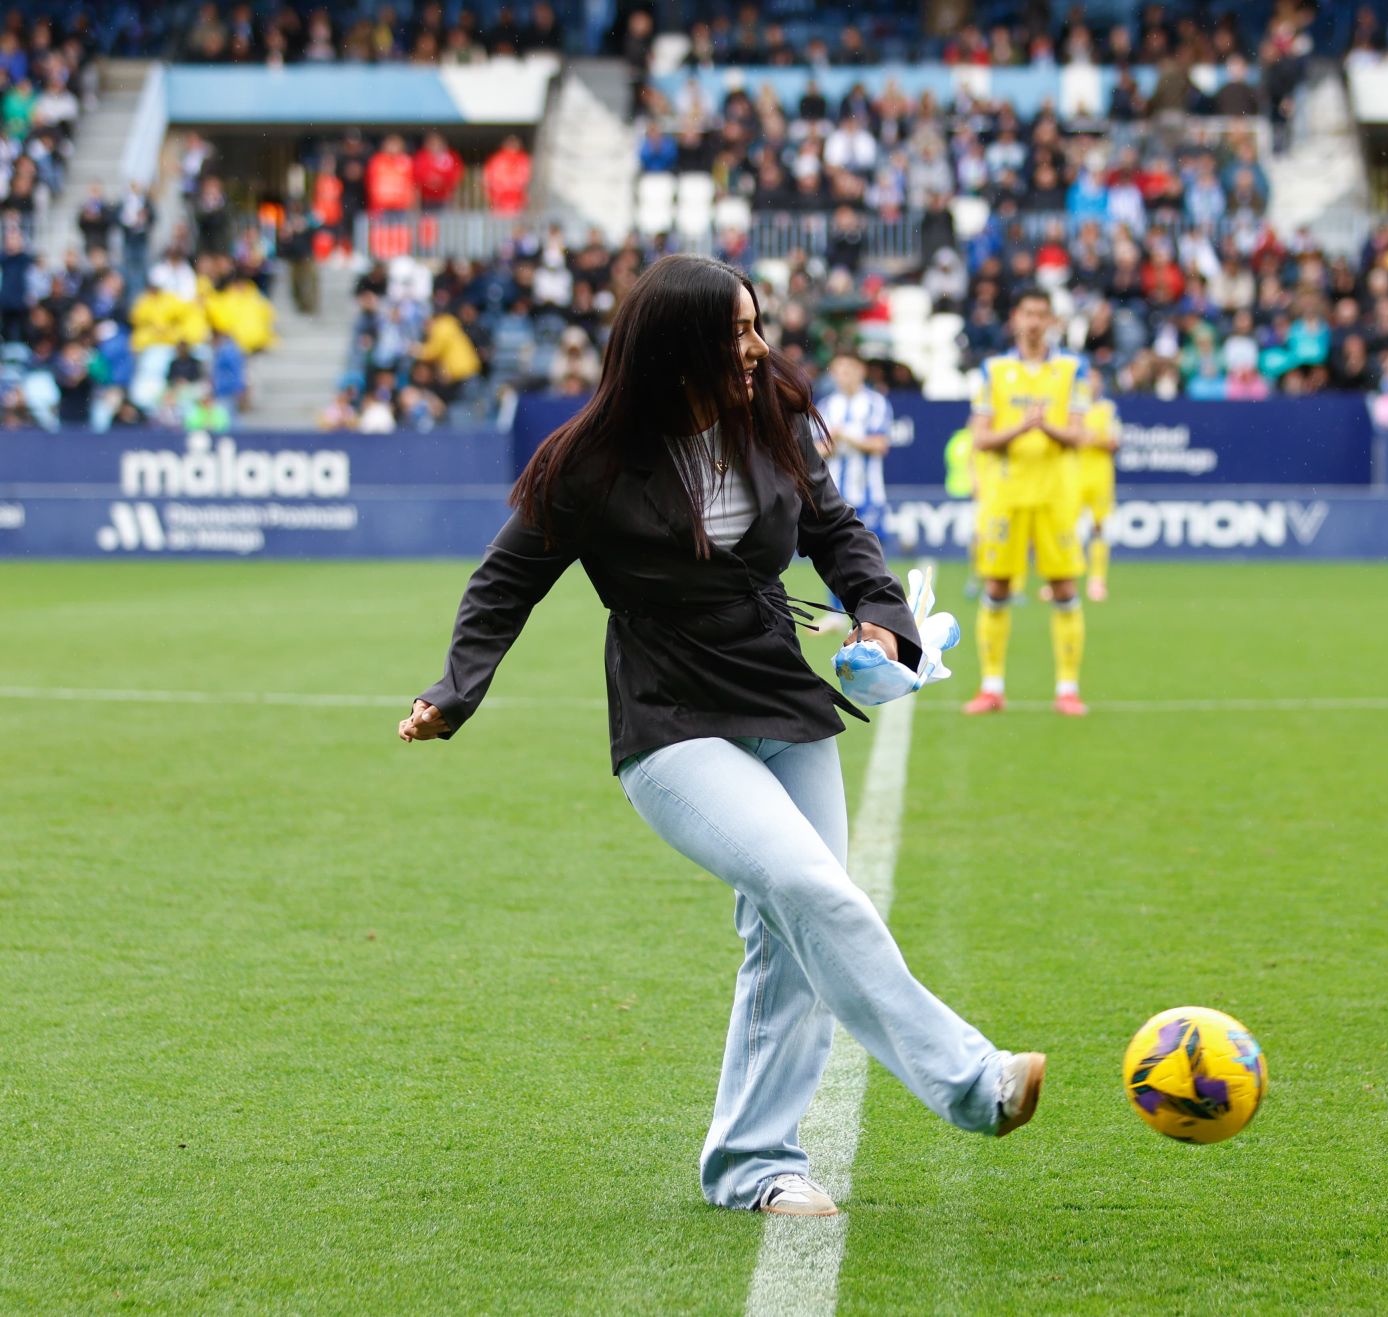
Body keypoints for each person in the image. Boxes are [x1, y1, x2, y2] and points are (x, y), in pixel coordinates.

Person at [398, 254, 1044, 1217]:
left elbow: (836, 529)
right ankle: (973, 1081)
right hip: (670, 723)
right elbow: (506, 582)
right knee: (810, 887)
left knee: (791, 936)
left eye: (756, 325)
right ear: (678, 345)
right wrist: (455, 690)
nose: (755, 346)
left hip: (780, 698)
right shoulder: (587, 461)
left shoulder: (769, 416)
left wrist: (881, 615)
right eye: (737, 331)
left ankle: (752, 1165)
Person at [963, 289, 1091, 717]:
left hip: (1056, 494)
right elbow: (980, 437)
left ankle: (1068, 688)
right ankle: (992, 686)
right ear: (1016, 319)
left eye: (1042, 314)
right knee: (996, 586)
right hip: (1006, 495)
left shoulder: (1073, 369)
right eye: (1028, 314)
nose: (1034, 321)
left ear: (1051, 320)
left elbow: (1079, 434)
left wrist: (1045, 427)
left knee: (1064, 588)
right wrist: (1022, 426)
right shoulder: (994, 370)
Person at [814, 351, 894, 633]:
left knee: (870, 555)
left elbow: (880, 444)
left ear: (860, 371)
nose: (843, 375)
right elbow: (815, 450)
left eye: (848, 368)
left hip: (868, 494)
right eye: (837, 369)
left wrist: (846, 436)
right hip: (834, 494)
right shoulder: (825, 406)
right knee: (834, 552)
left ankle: (875, 613)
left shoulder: (876, 404)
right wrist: (832, 442)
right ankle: (836, 613)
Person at [1077, 369, 1120, 602]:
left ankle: (1097, 581)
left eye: (1095, 381)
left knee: (1099, 528)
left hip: (1100, 478)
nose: (1091, 385)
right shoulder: (1071, 410)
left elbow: (1115, 442)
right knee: (1067, 530)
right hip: (1073, 477)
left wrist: (1096, 439)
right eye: (1088, 381)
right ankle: (1065, 580)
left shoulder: (1108, 410)